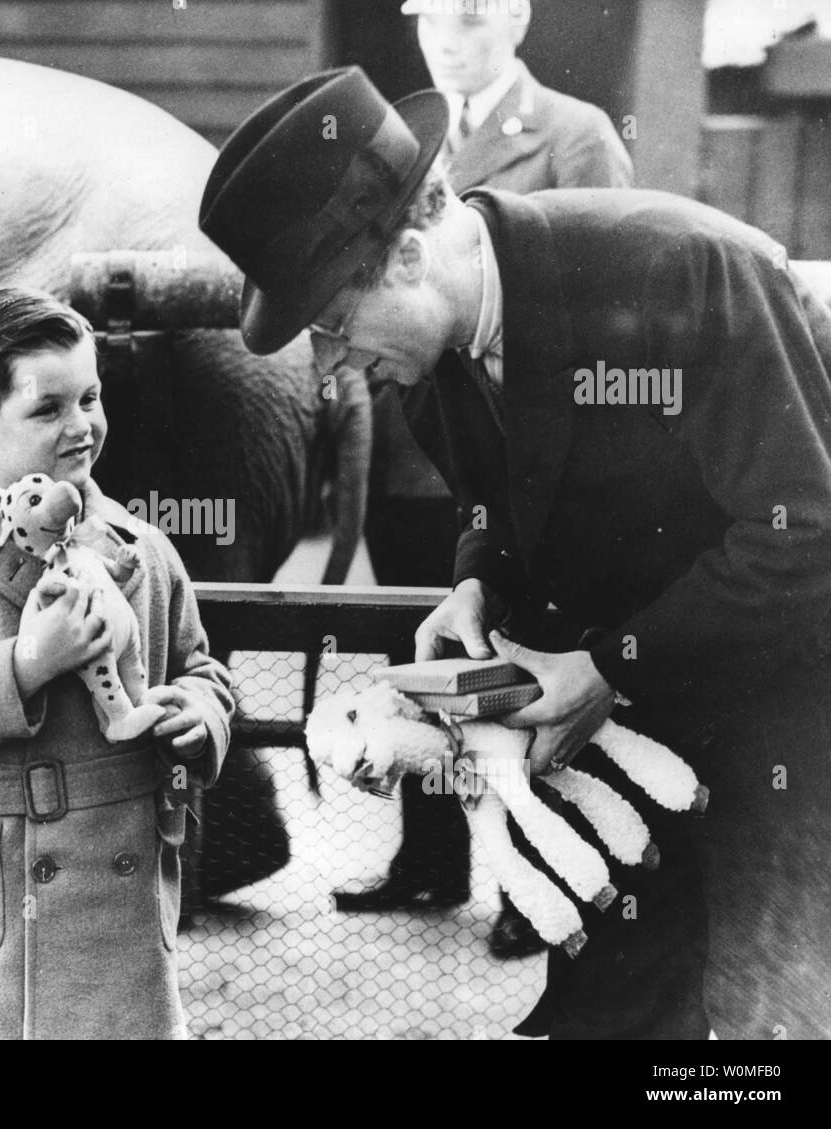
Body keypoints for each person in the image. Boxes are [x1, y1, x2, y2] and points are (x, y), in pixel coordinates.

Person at [198, 66, 831, 1039]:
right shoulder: (427, 360)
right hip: (625, 767)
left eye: (329, 327)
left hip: (782, 747)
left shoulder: (682, 270)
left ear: (404, 253)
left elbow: (804, 527)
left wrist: (612, 665)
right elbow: (497, 506)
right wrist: (473, 585)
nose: (329, 368)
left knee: (758, 1030)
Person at [346, 0, 635, 961]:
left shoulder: (576, 135)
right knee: (428, 659)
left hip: (534, 470)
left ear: (515, 21)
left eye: (471, 17)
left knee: (531, 664)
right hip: (413, 456)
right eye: (432, 17)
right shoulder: (388, 152)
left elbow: (603, 297)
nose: (449, 39)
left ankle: (536, 878)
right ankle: (429, 857)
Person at [0, 287, 233, 1039]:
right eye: (48, 409)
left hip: (117, 898)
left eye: (91, 397)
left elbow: (202, 669)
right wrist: (26, 664)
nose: (82, 427)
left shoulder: (144, 549)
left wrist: (200, 720)